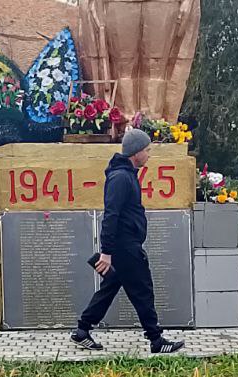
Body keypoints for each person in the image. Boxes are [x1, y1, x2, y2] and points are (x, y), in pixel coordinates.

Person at [71, 127, 185, 354]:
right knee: (143, 290)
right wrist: (106, 252)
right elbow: (110, 215)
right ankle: (156, 340)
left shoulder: (126, 174)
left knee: (110, 288)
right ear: (136, 152)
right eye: (147, 150)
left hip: (124, 245)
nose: (149, 154)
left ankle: (82, 330)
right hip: (125, 247)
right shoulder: (121, 178)